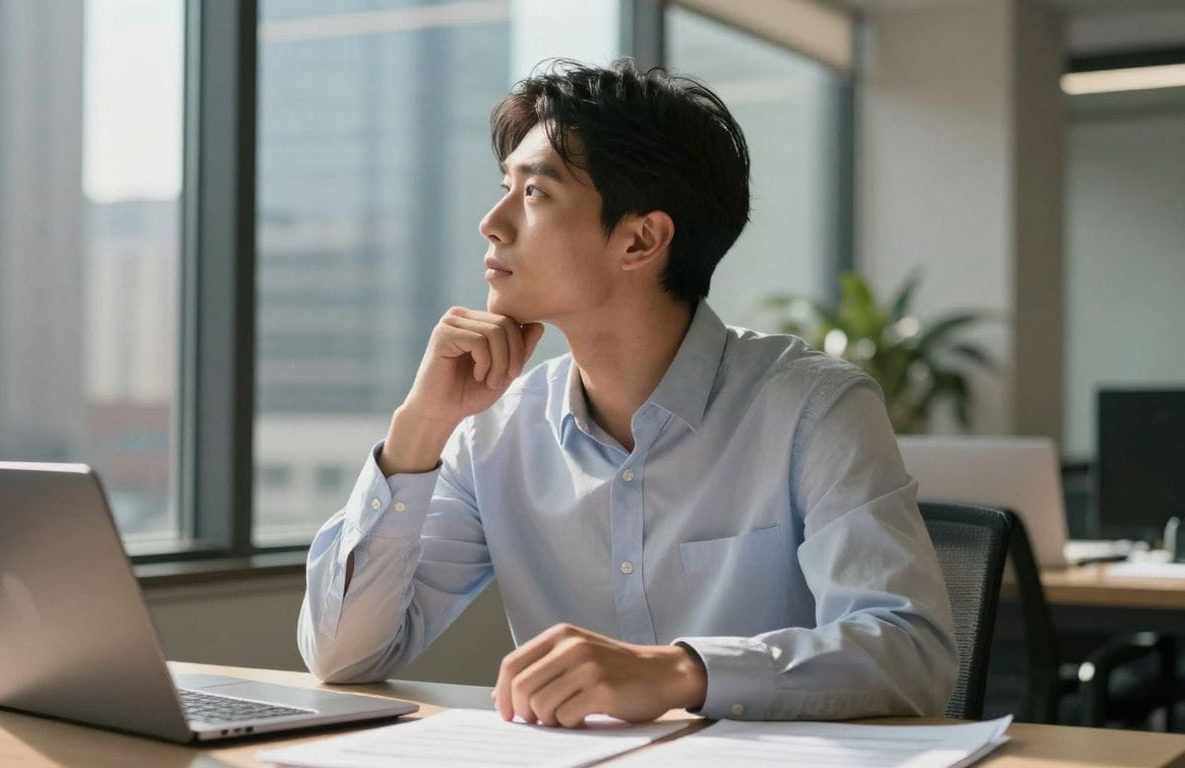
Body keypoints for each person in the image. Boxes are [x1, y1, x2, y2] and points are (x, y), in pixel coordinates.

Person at [297, 59, 957, 728]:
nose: (491, 223)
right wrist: (420, 426)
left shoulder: (813, 408)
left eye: (535, 193)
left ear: (641, 239)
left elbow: (912, 653)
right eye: (505, 187)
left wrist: (679, 672)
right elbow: (343, 657)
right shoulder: (495, 431)